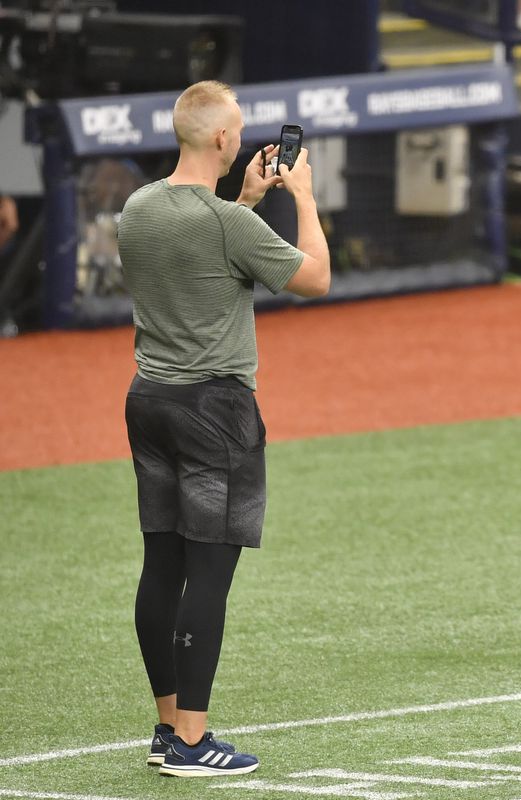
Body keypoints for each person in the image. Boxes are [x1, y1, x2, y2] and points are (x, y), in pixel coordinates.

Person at [118, 80, 330, 775]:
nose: (242, 138)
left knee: (162, 565)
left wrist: (240, 201)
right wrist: (300, 194)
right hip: (217, 413)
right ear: (220, 140)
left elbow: (198, 259)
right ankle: (191, 741)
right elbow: (316, 278)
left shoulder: (138, 209)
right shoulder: (227, 225)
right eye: (236, 129)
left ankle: (164, 726)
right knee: (209, 574)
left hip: (150, 401)